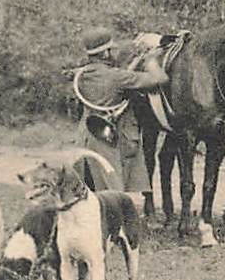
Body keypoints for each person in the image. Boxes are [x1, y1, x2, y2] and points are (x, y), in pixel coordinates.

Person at [72, 27, 169, 207]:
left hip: (84, 137)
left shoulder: (81, 74)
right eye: (112, 49)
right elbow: (160, 79)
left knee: (85, 192)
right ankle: (115, 231)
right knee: (112, 194)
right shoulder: (117, 77)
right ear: (105, 53)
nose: (114, 52)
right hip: (104, 141)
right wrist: (151, 61)